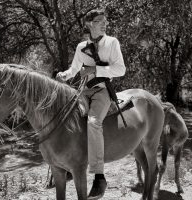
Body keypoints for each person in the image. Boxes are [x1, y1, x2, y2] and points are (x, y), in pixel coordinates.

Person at [56, 9, 126, 199]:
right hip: (83, 92)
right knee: (65, 118)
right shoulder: (81, 47)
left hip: (102, 91)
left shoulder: (112, 43)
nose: (104, 24)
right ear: (89, 24)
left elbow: (120, 70)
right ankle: (68, 166)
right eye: (99, 21)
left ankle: (99, 177)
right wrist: (64, 75)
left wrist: (96, 69)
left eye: (105, 21)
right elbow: (74, 69)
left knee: (94, 122)